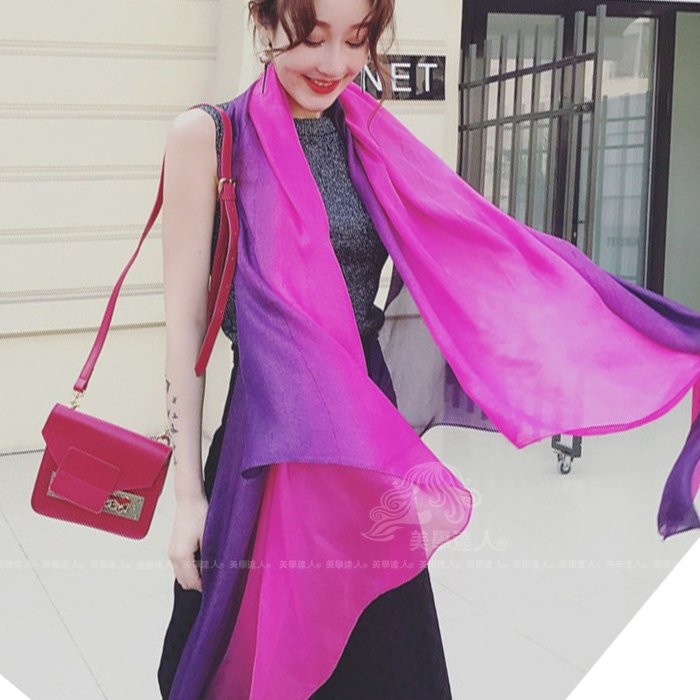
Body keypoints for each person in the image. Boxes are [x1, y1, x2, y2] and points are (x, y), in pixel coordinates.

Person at [158, 0, 454, 697]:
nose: (335, 65)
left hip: (366, 434)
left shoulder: (370, 137)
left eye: (356, 40)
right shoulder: (210, 137)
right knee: (248, 657)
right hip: (267, 431)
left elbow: (466, 254)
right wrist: (188, 499)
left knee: (384, 667)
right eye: (313, 38)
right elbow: (184, 326)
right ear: (264, 23)